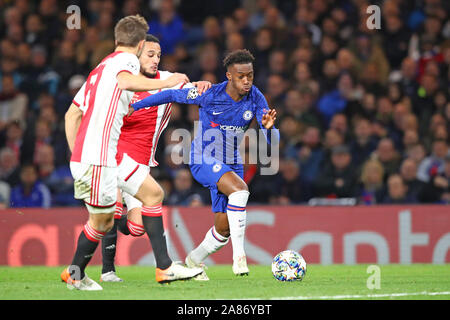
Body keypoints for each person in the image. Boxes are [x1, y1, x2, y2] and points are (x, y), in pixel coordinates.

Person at [60, 15, 201, 291]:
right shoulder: (126, 63)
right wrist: (167, 81)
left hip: (105, 155)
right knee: (100, 221)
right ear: (138, 45)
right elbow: (126, 83)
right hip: (98, 158)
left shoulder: (100, 68)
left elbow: (71, 114)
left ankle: (165, 268)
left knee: (153, 194)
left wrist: (75, 151)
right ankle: (75, 273)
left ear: (116, 40)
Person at [131, 49, 279, 279]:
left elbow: (273, 140)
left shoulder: (256, 97)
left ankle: (194, 260)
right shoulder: (208, 93)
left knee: (223, 230)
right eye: (241, 76)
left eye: (250, 75)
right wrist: (137, 106)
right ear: (229, 76)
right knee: (240, 191)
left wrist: (270, 131)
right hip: (203, 159)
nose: (247, 81)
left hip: (231, 164)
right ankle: (239, 258)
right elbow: (170, 95)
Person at [99, 34, 211, 283]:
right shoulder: (123, 82)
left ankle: (105, 226)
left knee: (136, 227)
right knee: (116, 207)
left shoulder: (167, 80)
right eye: (150, 54)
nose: (155, 59)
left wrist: (202, 86)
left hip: (140, 164)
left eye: (158, 55)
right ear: (136, 55)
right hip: (113, 157)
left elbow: (192, 91)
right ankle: (108, 271)